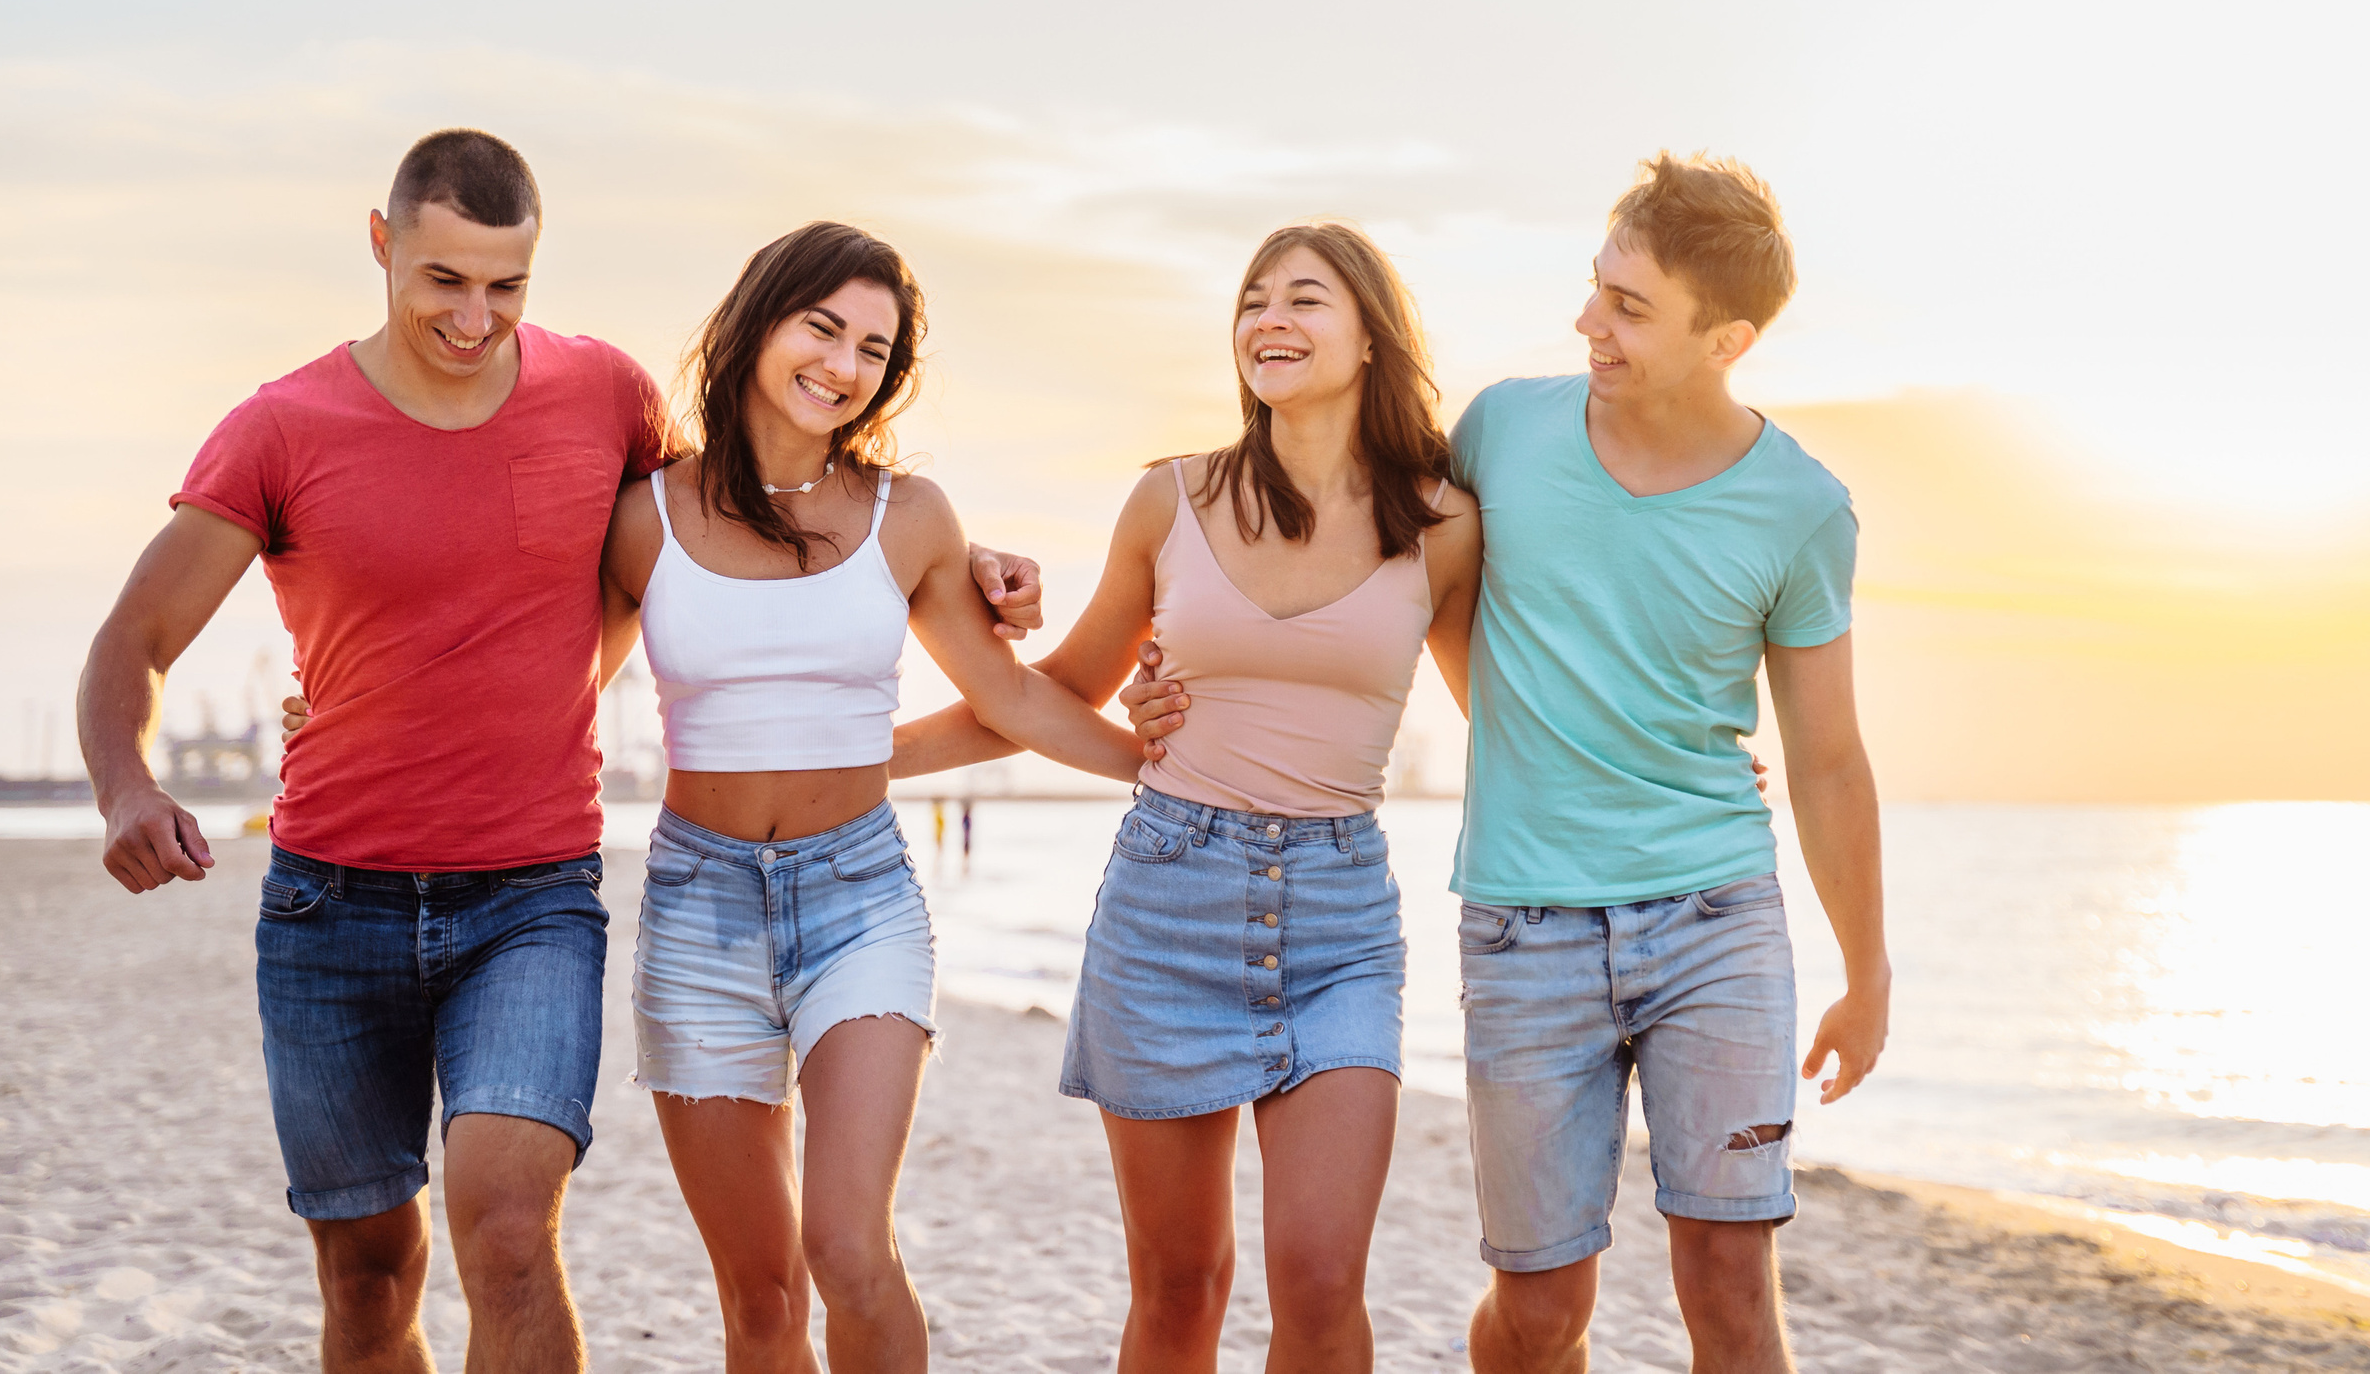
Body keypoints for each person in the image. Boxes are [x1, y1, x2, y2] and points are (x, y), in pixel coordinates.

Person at [80, 137, 1045, 1374]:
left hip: (530, 896)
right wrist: (129, 785)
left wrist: (974, 576)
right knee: (369, 1275)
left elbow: (750, 535)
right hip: (330, 900)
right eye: (443, 281)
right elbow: (137, 636)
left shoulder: (605, 396)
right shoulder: (280, 428)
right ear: (380, 243)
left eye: (507, 286)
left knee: (508, 1232)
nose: (474, 317)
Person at [897, 222, 1483, 1374]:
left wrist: (1677, 764)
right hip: (1168, 905)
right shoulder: (1170, 501)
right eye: (1253, 299)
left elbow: (1506, 719)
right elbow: (1052, 692)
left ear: (1371, 338)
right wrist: (857, 759)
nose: (1270, 318)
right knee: (1179, 1287)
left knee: (1320, 1284)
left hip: (1339, 921)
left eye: (1305, 299)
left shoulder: (1442, 524)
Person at [598, 220, 1149, 1374]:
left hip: (858, 897)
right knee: (759, 1299)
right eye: (822, 328)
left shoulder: (911, 517)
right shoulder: (643, 516)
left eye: (872, 350)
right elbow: (544, 696)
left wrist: (1165, 765)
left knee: (846, 1249)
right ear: (760, 322)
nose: (842, 366)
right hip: (698, 911)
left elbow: (1011, 697)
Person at [1435, 153, 1888, 1374]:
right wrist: (1526, 729)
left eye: (1629, 308)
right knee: (1537, 1316)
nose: (1590, 322)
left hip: (1716, 923)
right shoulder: (1499, 430)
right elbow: (1410, 582)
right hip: (1523, 928)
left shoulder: (1800, 507)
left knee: (1731, 1292)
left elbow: (1830, 761)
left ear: (1725, 338)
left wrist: (1867, 969)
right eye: (1596, 287)